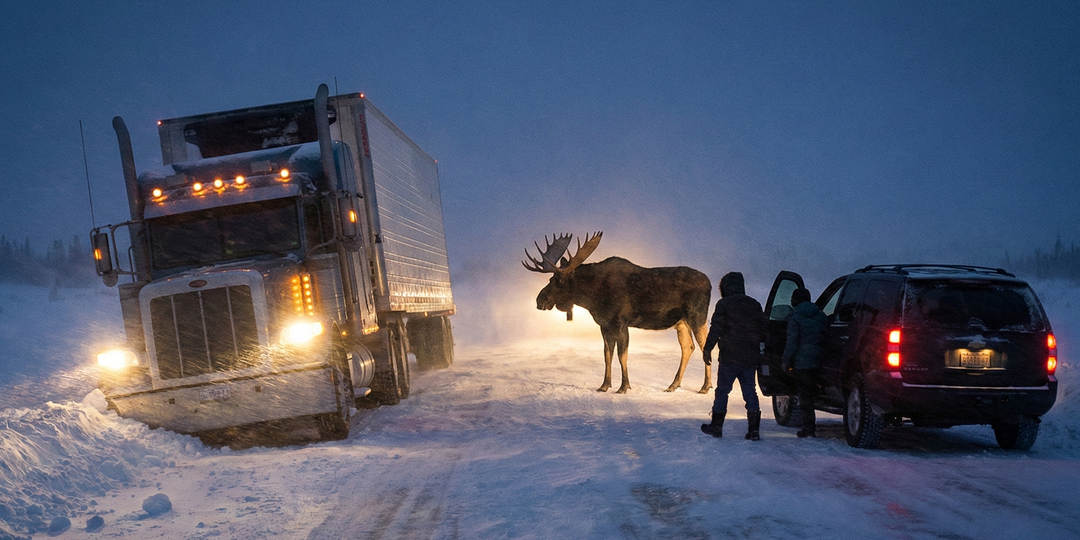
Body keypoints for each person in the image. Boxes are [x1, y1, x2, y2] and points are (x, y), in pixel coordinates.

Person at [700, 272, 766, 440]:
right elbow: (764, 330)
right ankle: (754, 430)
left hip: (729, 357)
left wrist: (707, 349)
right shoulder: (755, 304)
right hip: (750, 358)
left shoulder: (724, 304)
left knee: (722, 391)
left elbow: (716, 329)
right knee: (750, 393)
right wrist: (763, 352)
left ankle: (716, 427)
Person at [782, 287, 828, 438]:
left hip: (803, 364)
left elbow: (792, 343)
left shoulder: (795, 318)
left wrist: (786, 361)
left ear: (796, 300)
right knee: (816, 393)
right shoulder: (821, 316)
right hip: (820, 361)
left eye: (792, 298)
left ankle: (808, 428)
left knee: (805, 397)